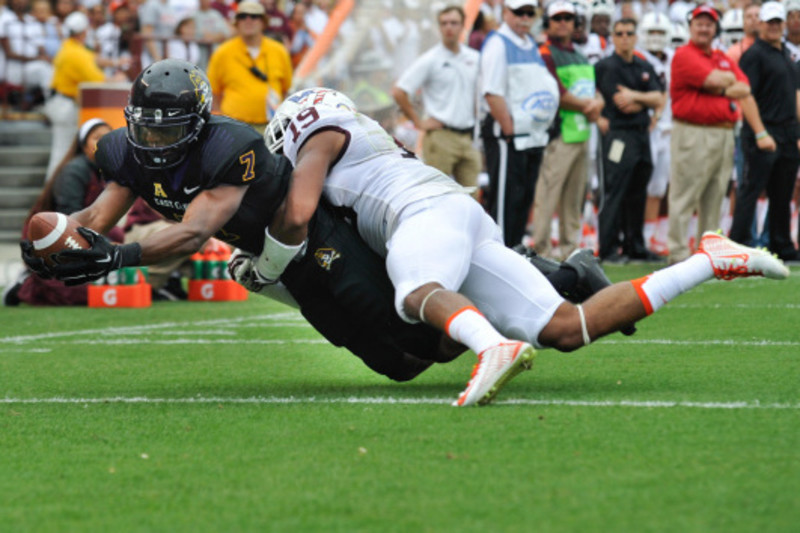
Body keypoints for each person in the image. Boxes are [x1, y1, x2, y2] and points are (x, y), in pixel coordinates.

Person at [17, 60, 621, 385]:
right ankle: (538, 284)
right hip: (274, 259)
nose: (152, 143)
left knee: (418, 345)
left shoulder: (229, 146)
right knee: (397, 367)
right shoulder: (124, 151)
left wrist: (117, 258)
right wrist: (63, 244)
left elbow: (194, 230)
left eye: (165, 132)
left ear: (198, 126)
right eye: (144, 129)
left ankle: (552, 280)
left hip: (314, 236)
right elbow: (97, 214)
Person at [238, 86, 788, 407]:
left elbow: (300, 210)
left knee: (415, 292)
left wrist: (269, 259)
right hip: (456, 217)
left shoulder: (320, 136)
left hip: (425, 215)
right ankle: (709, 260)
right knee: (565, 329)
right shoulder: (359, 140)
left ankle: (492, 348)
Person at [668, 4, 758, 264]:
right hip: (693, 131)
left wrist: (723, 83)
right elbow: (717, 81)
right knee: (685, 193)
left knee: (715, 194)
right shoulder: (684, 54)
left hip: (723, 132)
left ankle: (705, 255)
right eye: (700, 23)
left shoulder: (720, 56)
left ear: (715, 28)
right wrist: (723, 84)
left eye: (709, 24)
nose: (704, 28)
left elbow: (744, 86)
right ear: (691, 27)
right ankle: (676, 252)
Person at [4, 118, 118, 307]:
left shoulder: (106, 171)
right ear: (83, 145)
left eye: (108, 138)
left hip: (88, 231)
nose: (104, 143)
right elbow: (70, 216)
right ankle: (26, 285)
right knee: (83, 294)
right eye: (97, 138)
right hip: (56, 236)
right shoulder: (74, 171)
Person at [479, 0, 561, 247]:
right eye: (519, 12)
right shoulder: (498, 44)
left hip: (530, 137)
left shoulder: (529, 44)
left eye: (529, 13)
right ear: (506, 12)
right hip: (508, 136)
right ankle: (499, 252)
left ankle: (513, 250)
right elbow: (492, 92)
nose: (525, 18)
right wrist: (510, 131)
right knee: (505, 202)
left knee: (522, 200)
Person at [532, 0, 603, 260]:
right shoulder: (545, 52)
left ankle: (570, 250)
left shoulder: (579, 55)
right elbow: (555, 92)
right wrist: (590, 106)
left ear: (575, 23)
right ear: (548, 23)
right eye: (558, 18)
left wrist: (596, 103)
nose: (563, 23)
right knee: (548, 194)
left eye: (567, 18)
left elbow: (593, 89)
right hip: (559, 133)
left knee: (574, 198)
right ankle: (540, 249)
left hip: (581, 132)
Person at [729, 2, 800, 261]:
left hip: (787, 134)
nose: (773, 27)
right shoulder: (754, 55)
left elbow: (795, 97)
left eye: (777, 22)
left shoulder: (786, 56)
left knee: (782, 195)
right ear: (760, 25)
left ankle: (781, 244)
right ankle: (739, 245)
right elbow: (746, 96)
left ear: (783, 25)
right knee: (750, 190)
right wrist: (760, 132)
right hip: (763, 133)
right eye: (769, 22)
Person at [392, 5, 482, 197]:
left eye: (454, 23)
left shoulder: (475, 58)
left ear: (463, 25)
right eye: (444, 23)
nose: (449, 27)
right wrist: (418, 122)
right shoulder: (431, 59)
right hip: (441, 136)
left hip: (468, 136)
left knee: (472, 199)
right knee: (436, 196)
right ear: (439, 27)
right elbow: (399, 91)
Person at [595, 17, 665, 263]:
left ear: (636, 37)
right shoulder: (607, 66)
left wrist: (636, 96)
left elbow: (659, 97)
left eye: (629, 33)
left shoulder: (642, 65)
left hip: (642, 135)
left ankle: (635, 245)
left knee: (638, 190)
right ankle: (608, 248)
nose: (624, 37)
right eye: (619, 33)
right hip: (618, 135)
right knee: (615, 189)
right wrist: (645, 100)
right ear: (613, 37)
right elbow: (621, 104)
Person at [43, 11, 124, 182]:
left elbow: (93, 58)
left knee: (64, 151)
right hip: (65, 105)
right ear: (83, 32)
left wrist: (115, 63)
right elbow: (99, 80)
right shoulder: (76, 53)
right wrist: (116, 78)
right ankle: (52, 192)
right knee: (62, 152)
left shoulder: (69, 46)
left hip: (60, 101)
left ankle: (54, 190)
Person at [206, 0, 292, 131]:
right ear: (237, 22)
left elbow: (286, 89)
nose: (248, 20)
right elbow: (213, 93)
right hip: (235, 128)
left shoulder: (279, 51)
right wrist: (222, 123)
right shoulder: (222, 52)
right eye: (242, 16)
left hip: (271, 127)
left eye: (254, 16)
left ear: (263, 22)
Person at [638, 11, 675, 256]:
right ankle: (635, 235)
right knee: (640, 184)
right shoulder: (638, 57)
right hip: (645, 128)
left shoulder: (674, 57)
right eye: (651, 32)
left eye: (660, 32)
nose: (655, 37)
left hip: (669, 127)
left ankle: (651, 237)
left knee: (660, 186)